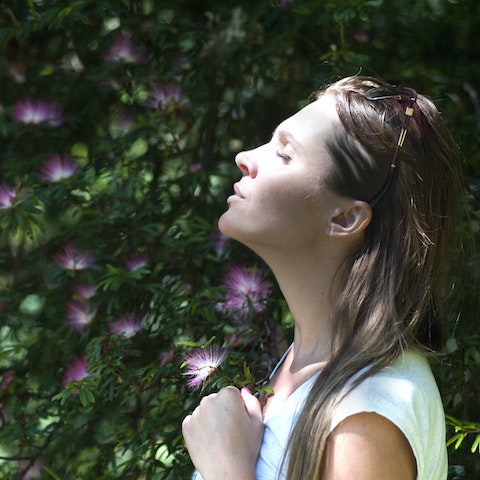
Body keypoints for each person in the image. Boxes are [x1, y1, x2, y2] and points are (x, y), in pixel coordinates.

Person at [182, 75, 464, 480]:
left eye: (284, 154)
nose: (245, 156)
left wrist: (225, 468)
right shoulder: (305, 369)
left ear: (346, 217)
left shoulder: (366, 413)